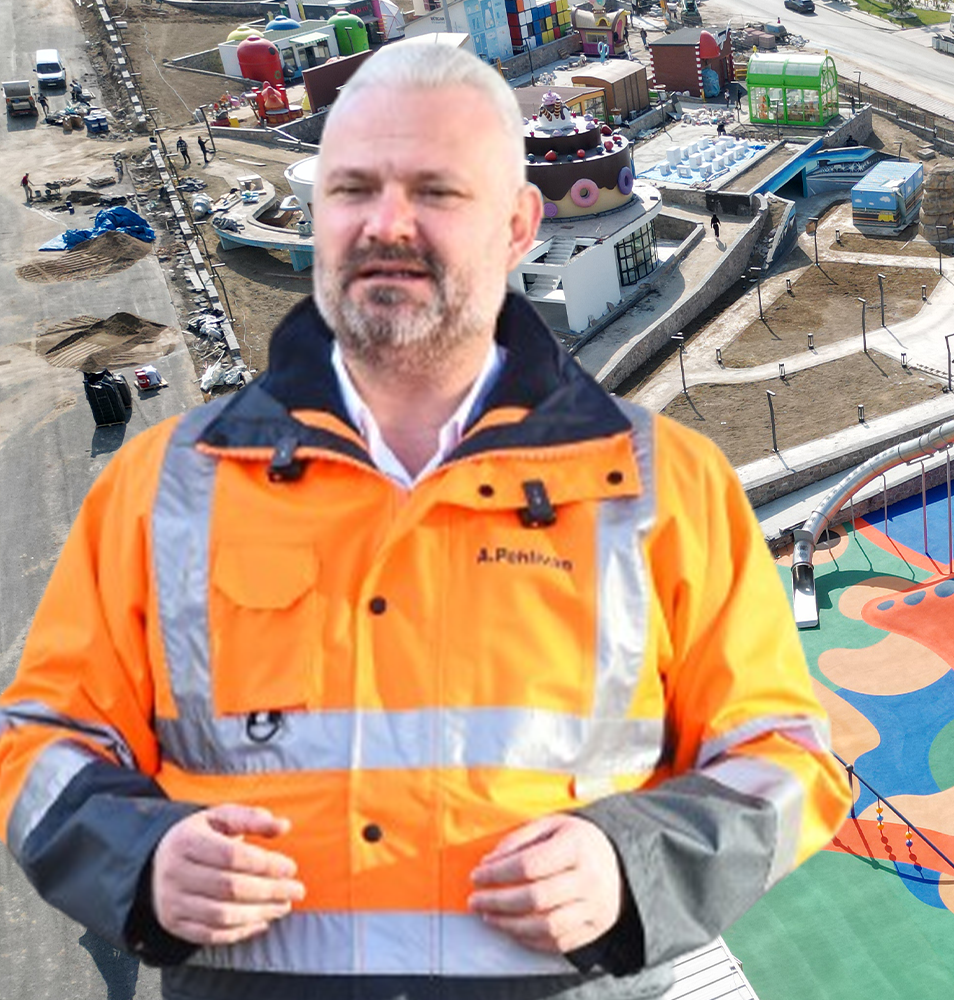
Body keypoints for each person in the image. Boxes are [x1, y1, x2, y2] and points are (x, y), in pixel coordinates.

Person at [0, 42, 846, 1000]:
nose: (386, 224)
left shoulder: (663, 487)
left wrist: (634, 866)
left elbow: (784, 756)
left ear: (519, 224)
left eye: (437, 191)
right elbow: (42, 740)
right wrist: (142, 859)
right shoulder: (166, 488)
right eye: (353, 189)